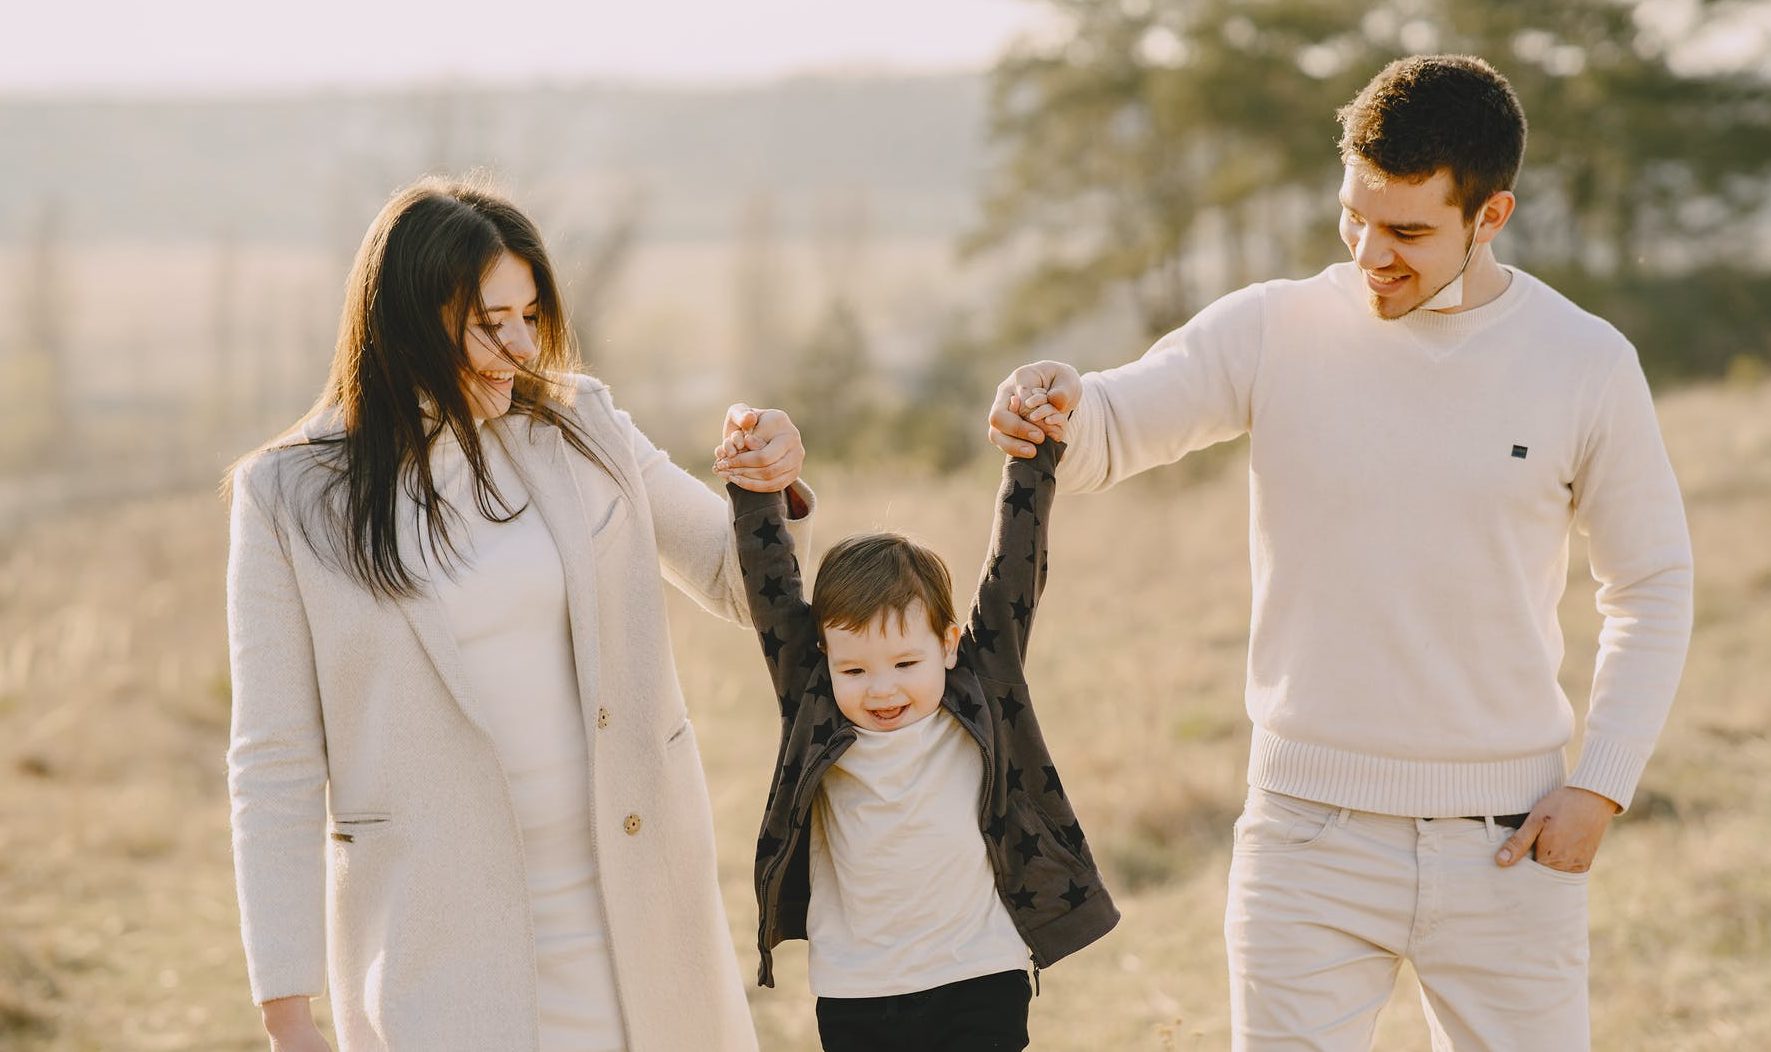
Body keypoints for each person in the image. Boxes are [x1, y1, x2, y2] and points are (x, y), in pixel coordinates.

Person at [985, 55, 1693, 1051]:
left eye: (1406, 230)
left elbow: (1651, 584)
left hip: (1511, 839)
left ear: (1491, 216)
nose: (1369, 253)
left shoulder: (1585, 363)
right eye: (1352, 216)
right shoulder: (1275, 326)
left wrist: (1603, 782)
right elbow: (1114, 422)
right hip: (1304, 836)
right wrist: (1057, 400)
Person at [224, 176, 807, 1051]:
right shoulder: (290, 495)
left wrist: (765, 485)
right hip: (438, 941)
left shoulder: (583, 425)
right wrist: (288, 1016)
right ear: (408, 321)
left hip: (628, 910)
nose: (518, 346)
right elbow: (272, 765)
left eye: (529, 316)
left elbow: (737, 583)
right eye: (487, 322)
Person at [716, 396, 1116, 1052]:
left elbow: (1014, 569)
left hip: (979, 976)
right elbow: (771, 591)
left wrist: (1033, 455)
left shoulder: (982, 684)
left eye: (905, 661)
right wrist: (755, 487)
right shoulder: (815, 703)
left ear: (950, 645)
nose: (882, 689)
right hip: (857, 995)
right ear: (825, 660)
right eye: (856, 671)